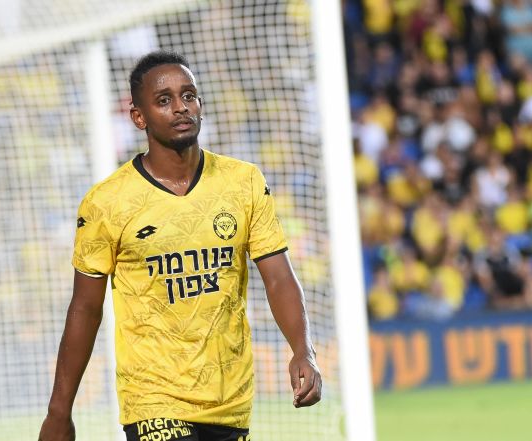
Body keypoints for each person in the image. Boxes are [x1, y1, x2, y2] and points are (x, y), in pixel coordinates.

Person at [38, 50, 321, 441]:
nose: (180, 107)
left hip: (230, 400)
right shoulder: (107, 202)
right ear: (138, 117)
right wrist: (59, 412)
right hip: (152, 400)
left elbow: (278, 278)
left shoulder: (244, 182)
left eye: (189, 95)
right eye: (164, 99)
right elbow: (85, 307)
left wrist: (303, 350)